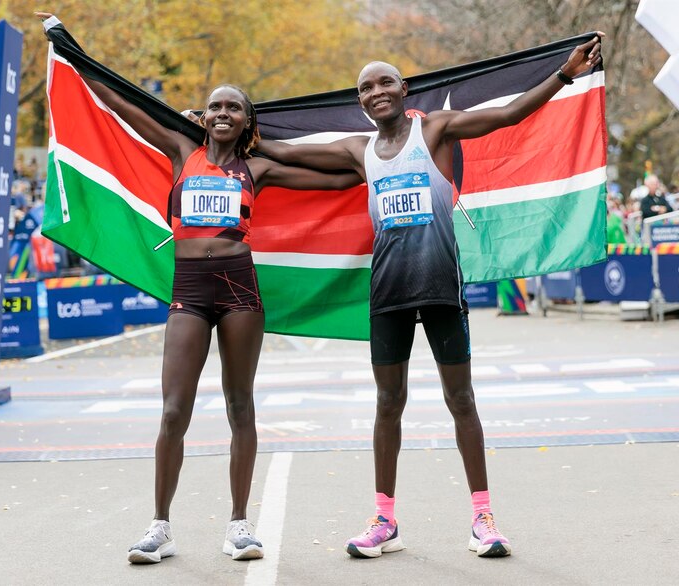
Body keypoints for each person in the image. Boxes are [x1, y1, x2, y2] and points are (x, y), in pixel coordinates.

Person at [257, 35, 603, 559]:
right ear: (360, 103)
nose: (377, 92)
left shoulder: (435, 129)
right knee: (387, 404)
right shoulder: (358, 151)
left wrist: (565, 74)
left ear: (403, 89)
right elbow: (282, 151)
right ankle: (384, 520)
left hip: (442, 288)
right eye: (366, 87)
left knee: (460, 400)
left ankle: (483, 518)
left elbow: (508, 115)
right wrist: (226, 130)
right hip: (388, 294)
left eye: (385, 82)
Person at [36, 13, 361, 565]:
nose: (223, 113)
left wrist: (309, 154)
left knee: (240, 406)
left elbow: (341, 178)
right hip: (188, 288)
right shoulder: (178, 149)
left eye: (234, 107)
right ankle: (159, 526)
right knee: (172, 412)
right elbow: (120, 103)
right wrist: (71, 51)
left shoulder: (257, 170)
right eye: (216, 106)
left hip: (239, 288)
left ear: (246, 120)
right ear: (204, 117)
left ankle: (240, 526)